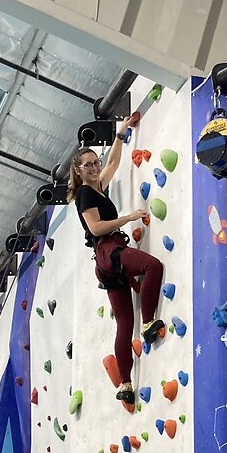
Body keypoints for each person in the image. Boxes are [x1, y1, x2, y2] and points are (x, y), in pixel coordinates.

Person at [69, 116, 164, 404]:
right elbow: (96, 228)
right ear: (78, 170)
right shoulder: (85, 193)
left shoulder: (96, 186)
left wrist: (121, 134)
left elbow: (112, 164)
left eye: (94, 161)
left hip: (106, 264)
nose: (96, 167)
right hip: (109, 250)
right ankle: (148, 323)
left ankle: (125, 384)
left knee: (124, 324)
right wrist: (129, 217)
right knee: (153, 266)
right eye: (88, 165)